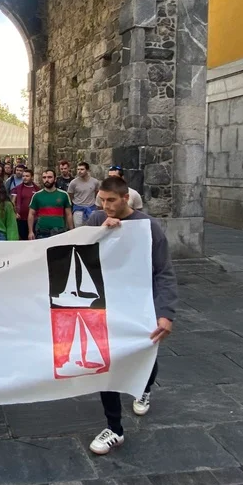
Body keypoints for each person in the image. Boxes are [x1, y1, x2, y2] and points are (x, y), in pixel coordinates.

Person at [84, 176, 177, 455]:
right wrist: (101, 231)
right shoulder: (96, 218)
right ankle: (114, 428)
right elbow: (81, 252)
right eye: (102, 200)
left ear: (126, 198)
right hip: (108, 304)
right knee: (107, 362)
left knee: (146, 357)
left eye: (111, 200)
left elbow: (164, 271)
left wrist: (166, 313)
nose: (105, 205)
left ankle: (145, 387)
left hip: (140, 304)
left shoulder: (148, 226)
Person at [28, 169, 73, 240]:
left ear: (55, 179)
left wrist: (71, 231)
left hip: (59, 231)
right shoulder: (37, 195)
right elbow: (31, 214)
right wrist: (30, 232)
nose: (46, 180)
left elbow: (68, 214)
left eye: (49, 177)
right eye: (44, 177)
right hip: (42, 231)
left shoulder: (64, 194)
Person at [67, 162, 101, 227]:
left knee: (92, 228)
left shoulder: (95, 182)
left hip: (91, 208)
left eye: (82, 169)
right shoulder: (73, 183)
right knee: (78, 229)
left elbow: (97, 194)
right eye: (78, 169)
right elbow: (70, 196)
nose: (79, 171)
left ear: (87, 170)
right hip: (78, 209)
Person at [10, 167, 40, 240]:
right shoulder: (17, 189)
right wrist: (15, 213)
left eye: (27, 176)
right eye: (23, 176)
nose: (24, 178)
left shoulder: (37, 189)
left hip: (34, 219)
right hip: (21, 219)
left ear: (32, 177)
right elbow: (12, 202)